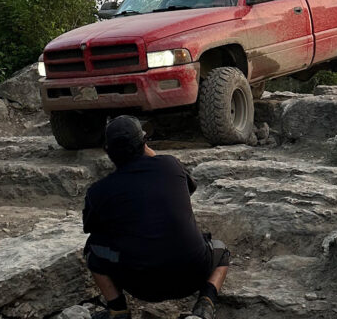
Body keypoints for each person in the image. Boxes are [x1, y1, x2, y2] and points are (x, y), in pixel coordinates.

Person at [82, 116, 230, 319]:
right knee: (221, 251)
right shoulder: (170, 166)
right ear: (144, 143)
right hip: (192, 275)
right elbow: (190, 188)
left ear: (108, 151)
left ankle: (118, 310)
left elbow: (91, 227)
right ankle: (205, 305)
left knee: (93, 248)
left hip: (141, 286)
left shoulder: (98, 191)